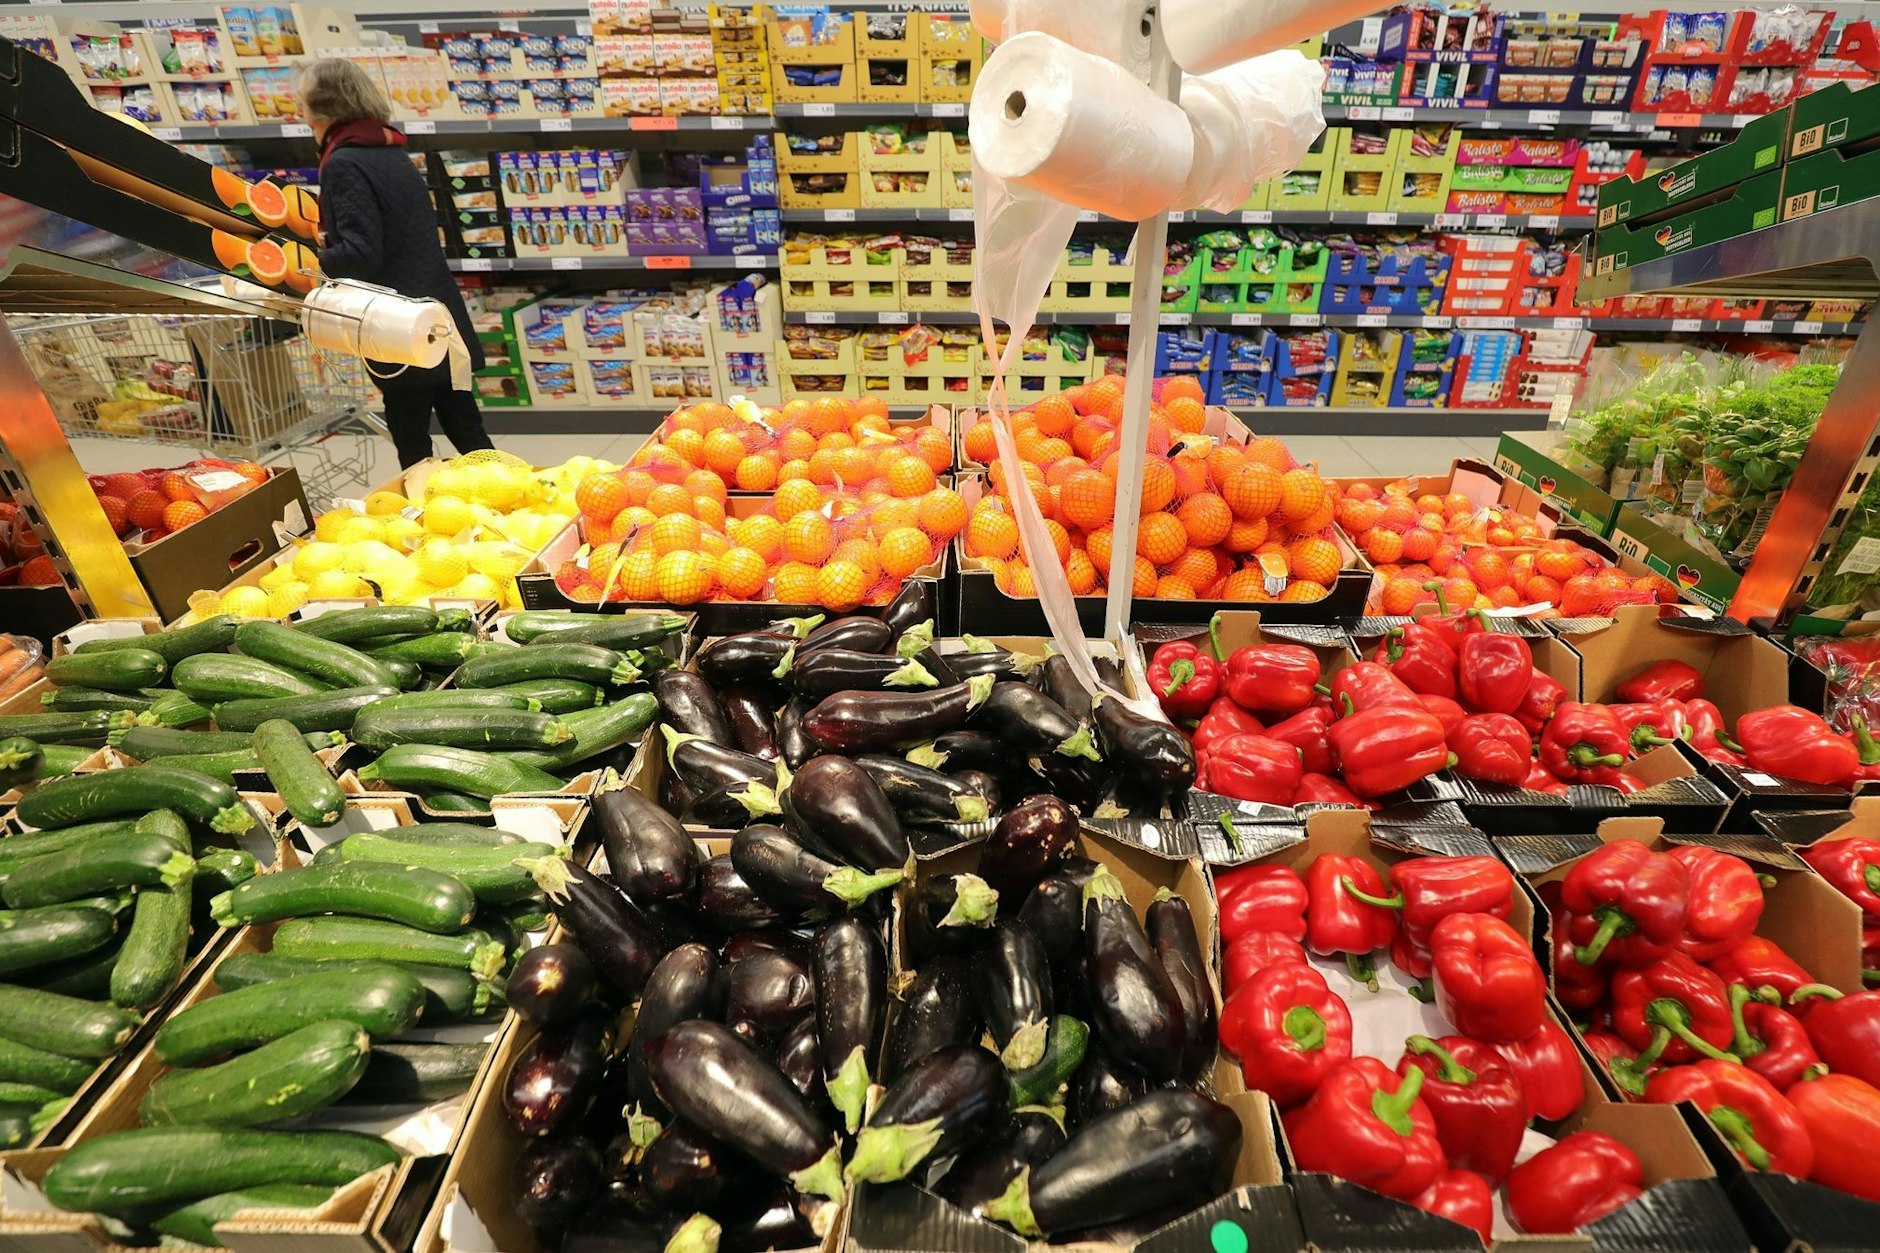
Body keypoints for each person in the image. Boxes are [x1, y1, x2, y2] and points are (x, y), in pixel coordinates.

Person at [298, 58, 494, 468]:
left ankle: (430, 505)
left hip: (397, 326)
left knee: (413, 443)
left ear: (321, 105)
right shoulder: (388, 149)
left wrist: (306, 262)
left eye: (301, 99)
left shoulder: (344, 162)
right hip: (434, 314)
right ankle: (511, 494)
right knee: (468, 430)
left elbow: (362, 254)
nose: (298, 108)